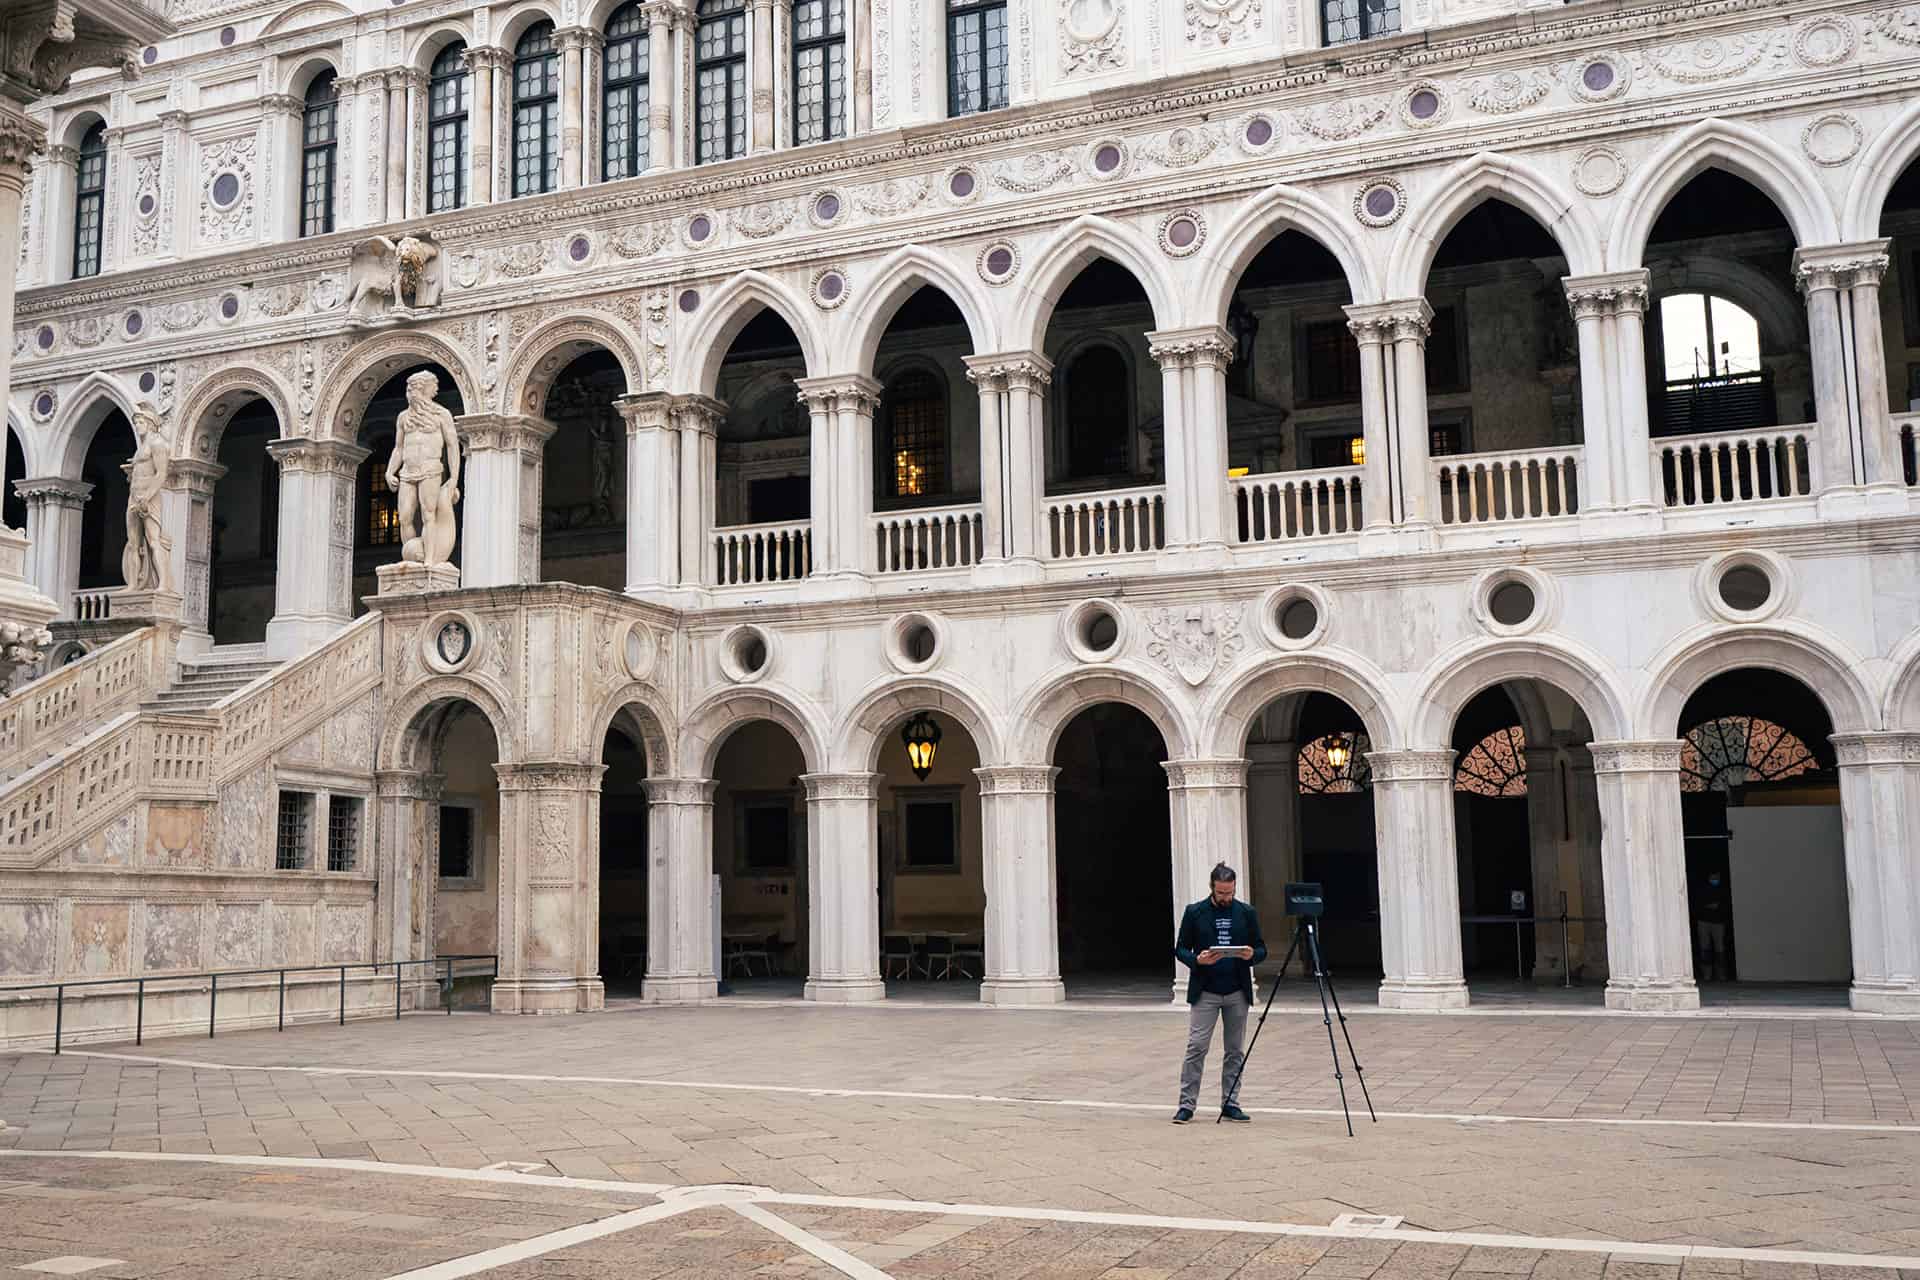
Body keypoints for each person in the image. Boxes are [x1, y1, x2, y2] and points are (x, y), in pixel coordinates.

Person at [1171, 863, 1267, 1125]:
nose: (1226, 898)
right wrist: (1197, 960)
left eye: (1230, 893)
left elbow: (1261, 949)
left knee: (1235, 1050)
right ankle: (1186, 1105)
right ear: (1212, 888)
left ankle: (1230, 1102)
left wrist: (1251, 955)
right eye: (1222, 893)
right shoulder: (1195, 912)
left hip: (1237, 990)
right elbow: (1180, 949)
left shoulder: (1246, 912)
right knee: (1196, 1047)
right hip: (1206, 991)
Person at [385, 370, 462, 566]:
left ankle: (429, 560)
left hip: (430, 469)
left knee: (429, 514)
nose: (409, 392)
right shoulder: (403, 417)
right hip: (407, 471)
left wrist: (453, 478)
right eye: (408, 389)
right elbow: (399, 447)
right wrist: (388, 471)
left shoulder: (441, 414)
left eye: (412, 388)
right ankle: (411, 556)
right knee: (404, 517)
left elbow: (453, 445)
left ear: (423, 389)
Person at [121, 404, 174, 593]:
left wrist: (147, 496)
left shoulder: (157, 445)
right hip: (134, 497)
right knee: (133, 542)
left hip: (149, 498)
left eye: (141, 422)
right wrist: (136, 497)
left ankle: (163, 584)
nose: (137, 426)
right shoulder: (140, 449)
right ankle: (133, 585)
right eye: (136, 423)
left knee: (153, 540)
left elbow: (161, 474)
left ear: (151, 424)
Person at [1694, 871, 1731, 982]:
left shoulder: (1723, 890)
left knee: (1720, 949)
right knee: (1705, 948)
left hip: (1718, 922)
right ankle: (1707, 974)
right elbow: (1697, 904)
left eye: (1717, 877)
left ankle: (1721, 974)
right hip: (1703, 922)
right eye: (1713, 877)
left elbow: (1725, 904)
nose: (1715, 879)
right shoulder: (1702, 890)